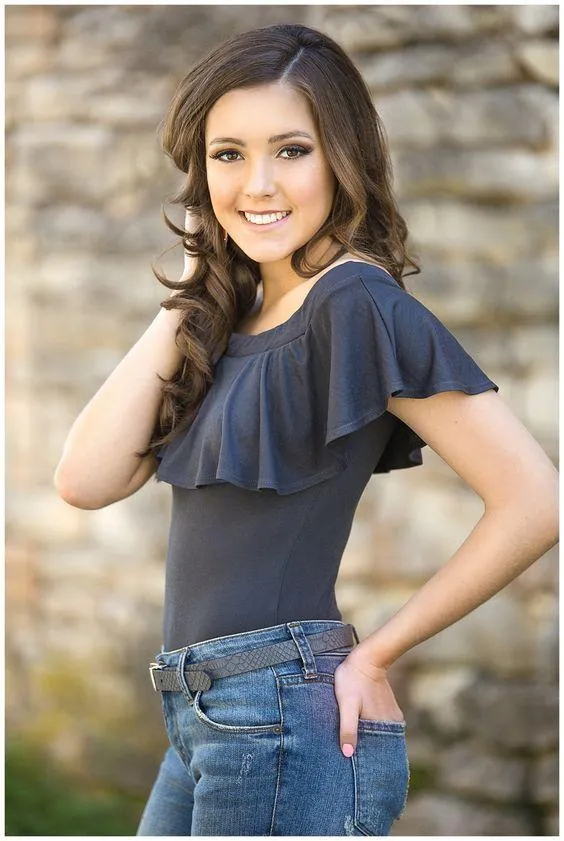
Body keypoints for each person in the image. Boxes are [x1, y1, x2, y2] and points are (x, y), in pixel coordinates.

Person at [54, 22, 558, 838]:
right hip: (199, 714)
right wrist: (196, 284)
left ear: (341, 159)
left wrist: (379, 652)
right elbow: (85, 479)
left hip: (281, 710)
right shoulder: (237, 311)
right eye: (228, 155)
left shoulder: (353, 303)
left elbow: (536, 500)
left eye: (291, 150)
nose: (258, 184)